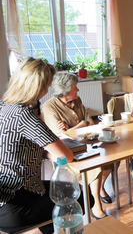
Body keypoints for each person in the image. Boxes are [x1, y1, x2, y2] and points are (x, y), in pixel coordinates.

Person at [0, 58, 91, 234]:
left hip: (6, 191)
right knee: (82, 196)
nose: (48, 90)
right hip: (15, 202)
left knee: (65, 194)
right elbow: (66, 156)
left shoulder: (4, 107)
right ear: (39, 88)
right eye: (48, 86)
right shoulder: (25, 116)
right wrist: (50, 152)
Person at [41, 72, 111, 219]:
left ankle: (98, 190)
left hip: (88, 143)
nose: (77, 90)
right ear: (65, 91)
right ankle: (97, 206)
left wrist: (73, 127)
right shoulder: (49, 107)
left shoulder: (77, 100)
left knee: (111, 160)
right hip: (68, 150)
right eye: (75, 88)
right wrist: (81, 124)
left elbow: (90, 123)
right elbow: (60, 136)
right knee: (96, 166)